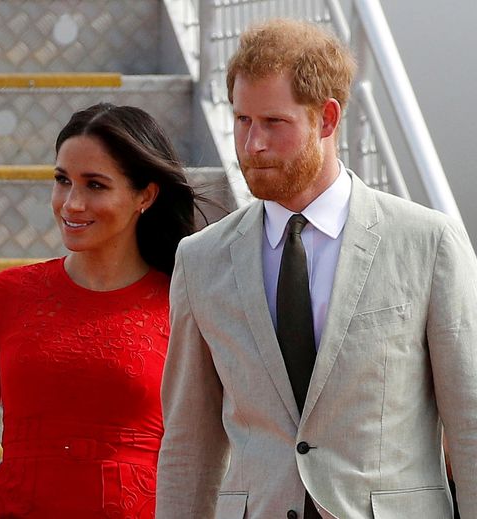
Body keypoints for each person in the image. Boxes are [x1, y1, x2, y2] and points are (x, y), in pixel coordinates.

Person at [156, 18, 477, 519]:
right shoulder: (200, 259)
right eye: (242, 120)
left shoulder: (428, 243)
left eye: (273, 123)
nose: (252, 144)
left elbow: (471, 423)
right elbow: (186, 445)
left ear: (327, 119)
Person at [0, 102, 203, 518]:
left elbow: (204, 455)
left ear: (144, 195)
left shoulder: (185, 304)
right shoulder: (3, 297)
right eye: (62, 180)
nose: (71, 203)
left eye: (95, 185)